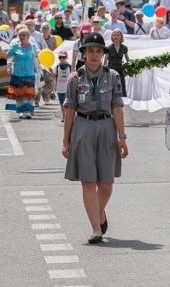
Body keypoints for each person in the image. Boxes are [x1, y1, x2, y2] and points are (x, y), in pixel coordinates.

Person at [62, 31, 128, 244]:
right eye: (90, 50)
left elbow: (117, 107)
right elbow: (70, 109)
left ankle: (99, 213)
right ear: (83, 53)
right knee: (88, 181)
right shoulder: (75, 78)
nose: (93, 54)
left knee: (106, 184)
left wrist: (122, 137)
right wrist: (66, 140)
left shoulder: (113, 76)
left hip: (106, 127)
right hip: (82, 127)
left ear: (103, 54)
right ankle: (95, 229)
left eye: (98, 51)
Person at [0, 28, 37, 119]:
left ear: (28, 37)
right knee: (20, 94)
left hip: (29, 73)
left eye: (24, 35)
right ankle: (22, 111)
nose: (22, 37)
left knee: (29, 93)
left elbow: (36, 58)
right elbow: (7, 56)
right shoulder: (15, 46)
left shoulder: (32, 46)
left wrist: (40, 70)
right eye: (20, 35)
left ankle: (28, 110)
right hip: (17, 73)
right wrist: (0, 51)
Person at [104, 30, 129, 97]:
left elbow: (128, 61)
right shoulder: (108, 48)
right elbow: (105, 61)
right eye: (114, 35)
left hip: (120, 70)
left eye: (118, 35)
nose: (116, 36)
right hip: (111, 70)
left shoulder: (124, 48)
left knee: (121, 86)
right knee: (112, 86)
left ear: (121, 36)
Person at [55, 51, 72, 122]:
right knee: (61, 103)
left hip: (67, 87)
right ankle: (63, 116)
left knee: (66, 103)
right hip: (59, 87)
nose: (62, 59)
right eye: (60, 57)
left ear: (67, 57)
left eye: (63, 57)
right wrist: (54, 88)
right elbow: (55, 77)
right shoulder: (57, 66)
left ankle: (67, 116)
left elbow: (72, 76)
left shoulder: (70, 66)